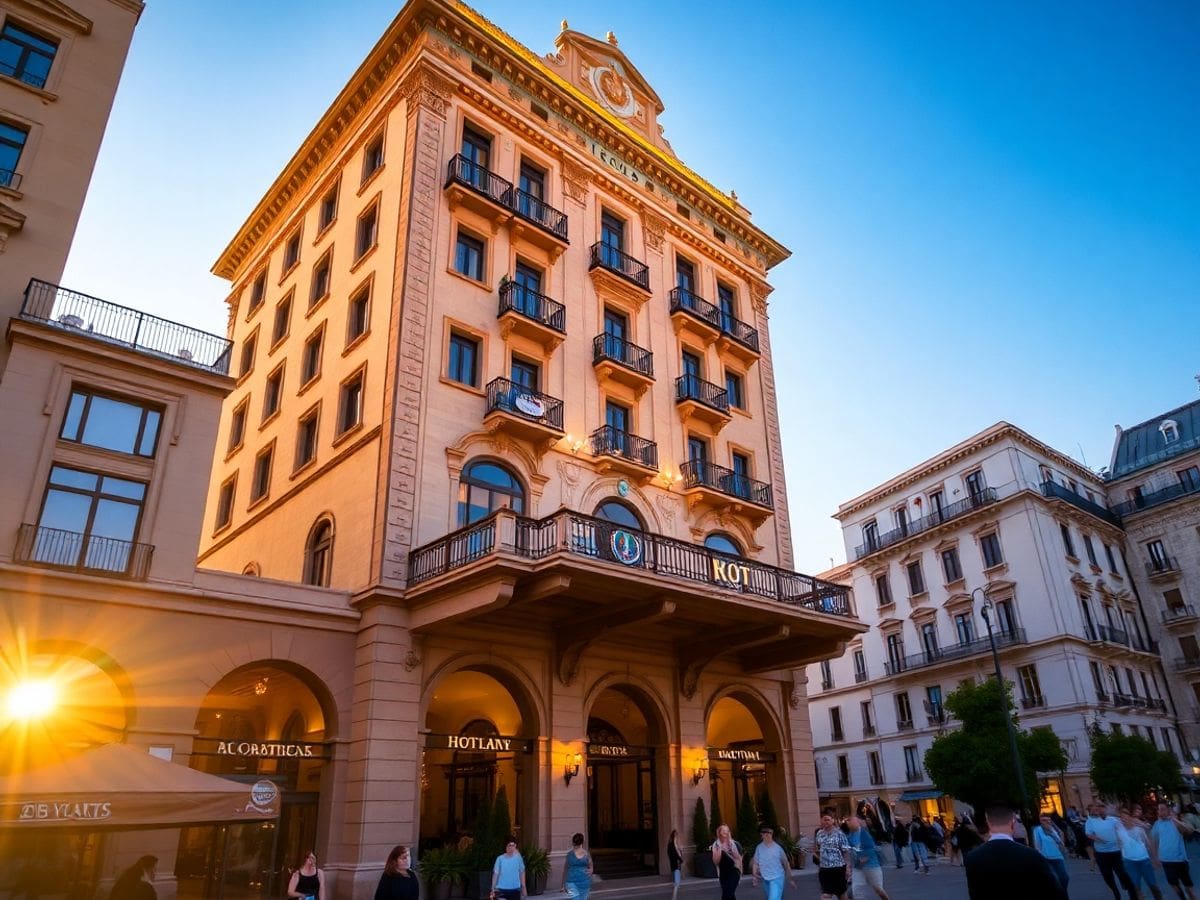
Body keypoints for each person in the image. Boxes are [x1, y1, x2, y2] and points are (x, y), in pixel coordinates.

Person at [964, 805, 1066, 900]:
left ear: (988, 823)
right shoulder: (1031, 855)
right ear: (1013, 823)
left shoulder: (972, 857)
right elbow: (1054, 892)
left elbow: (975, 894)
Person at [1087, 801, 1137, 900]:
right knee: (1107, 876)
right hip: (1101, 854)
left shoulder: (1113, 820)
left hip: (1116, 852)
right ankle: (1115, 892)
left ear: (1105, 808)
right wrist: (1098, 839)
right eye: (1098, 807)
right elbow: (1088, 833)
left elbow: (1126, 824)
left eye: (1102, 806)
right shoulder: (1091, 821)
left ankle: (1133, 895)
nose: (1100, 809)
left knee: (1123, 873)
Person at [1152, 802, 1197, 900]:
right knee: (1173, 884)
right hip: (1166, 860)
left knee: (1189, 888)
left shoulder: (1176, 821)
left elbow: (1190, 830)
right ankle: (1182, 897)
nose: (1160, 812)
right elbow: (1155, 841)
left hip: (1180, 860)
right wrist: (1155, 857)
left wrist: (1174, 819)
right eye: (1158, 810)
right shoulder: (1157, 824)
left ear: (1168, 810)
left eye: (1162, 809)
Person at [1117, 805, 1163, 900]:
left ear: (1130, 817)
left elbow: (1149, 844)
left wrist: (1155, 859)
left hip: (1144, 860)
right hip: (1129, 862)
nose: (1123, 819)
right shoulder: (1118, 829)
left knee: (1153, 885)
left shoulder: (1139, 830)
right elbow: (1120, 843)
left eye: (1125, 817)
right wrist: (1123, 859)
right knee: (1136, 887)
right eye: (1121, 817)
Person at [846, 816, 889, 900]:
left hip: (872, 865)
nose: (849, 823)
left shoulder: (865, 833)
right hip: (858, 867)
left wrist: (866, 857)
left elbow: (872, 848)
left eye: (851, 821)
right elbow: (849, 851)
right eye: (848, 822)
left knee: (878, 889)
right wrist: (849, 866)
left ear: (858, 822)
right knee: (857, 890)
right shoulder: (849, 836)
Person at [814, 809, 852, 900]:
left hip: (838, 868)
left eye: (828, 819)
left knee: (841, 894)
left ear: (833, 820)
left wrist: (847, 867)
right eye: (824, 819)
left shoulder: (839, 834)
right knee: (826, 894)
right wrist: (819, 860)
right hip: (824, 869)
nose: (826, 822)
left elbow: (845, 851)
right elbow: (817, 848)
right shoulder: (819, 833)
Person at [751, 826, 795, 900]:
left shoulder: (778, 848)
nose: (767, 834)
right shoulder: (759, 847)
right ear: (761, 834)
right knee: (773, 897)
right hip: (765, 878)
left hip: (777, 877)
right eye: (765, 833)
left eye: (769, 833)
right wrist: (754, 877)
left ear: (772, 834)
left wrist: (790, 879)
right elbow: (755, 863)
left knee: (773, 898)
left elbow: (786, 863)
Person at [1032, 812, 1070, 894]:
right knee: (1053, 879)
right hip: (1045, 858)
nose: (1047, 822)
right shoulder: (1037, 830)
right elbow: (1037, 843)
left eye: (1048, 820)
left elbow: (1061, 842)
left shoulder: (1056, 829)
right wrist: (1039, 855)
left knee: (1064, 878)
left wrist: (1053, 833)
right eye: (1044, 820)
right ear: (1040, 821)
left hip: (1058, 856)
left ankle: (1062, 892)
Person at [711, 823, 743, 900]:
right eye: (723, 830)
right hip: (723, 874)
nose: (726, 832)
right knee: (729, 895)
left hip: (734, 871)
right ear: (719, 832)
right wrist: (720, 849)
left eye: (727, 830)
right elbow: (716, 861)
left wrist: (730, 847)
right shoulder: (716, 845)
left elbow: (739, 859)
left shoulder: (735, 844)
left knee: (728, 894)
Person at [559, 833, 592, 900]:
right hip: (584, 881)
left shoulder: (570, 855)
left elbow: (565, 869)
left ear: (573, 842)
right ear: (582, 842)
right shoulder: (586, 854)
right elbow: (591, 865)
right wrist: (591, 871)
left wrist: (563, 884)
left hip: (572, 882)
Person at [667, 829, 683, 900]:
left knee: (676, 883)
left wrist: (680, 851)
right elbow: (675, 855)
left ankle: (674, 897)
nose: (677, 837)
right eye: (676, 835)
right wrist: (680, 859)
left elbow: (678, 854)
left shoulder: (674, 845)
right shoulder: (672, 845)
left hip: (675, 865)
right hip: (675, 865)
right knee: (676, 883)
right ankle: (674, 898)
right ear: (674, 836)